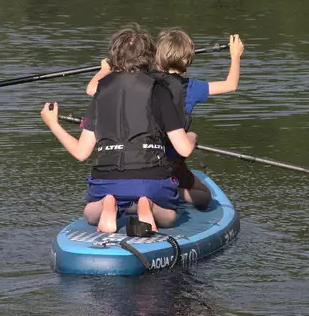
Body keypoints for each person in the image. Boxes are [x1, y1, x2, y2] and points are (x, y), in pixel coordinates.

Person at [41, 25, 195, 236]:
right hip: (152, 180)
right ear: (149, 57)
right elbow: (184, 149)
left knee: (89, 213)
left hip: (108, 181)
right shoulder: (160, 90)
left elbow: (81, 152)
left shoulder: (101, 91)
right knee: (170, 216)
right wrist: (191, 137)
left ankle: (107, 203)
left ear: (114, 57)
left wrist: (53, 124)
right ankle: (147, 205)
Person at [85, 31, 244, 212]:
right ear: (187, 61)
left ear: (157, 59)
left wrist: (106, 69)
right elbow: (231, 85)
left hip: (144, 156)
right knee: (204, 196)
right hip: (170, 160)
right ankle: (170, 191)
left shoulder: (147, 83)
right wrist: (235, 56)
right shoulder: (192, 87)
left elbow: (92, 89)